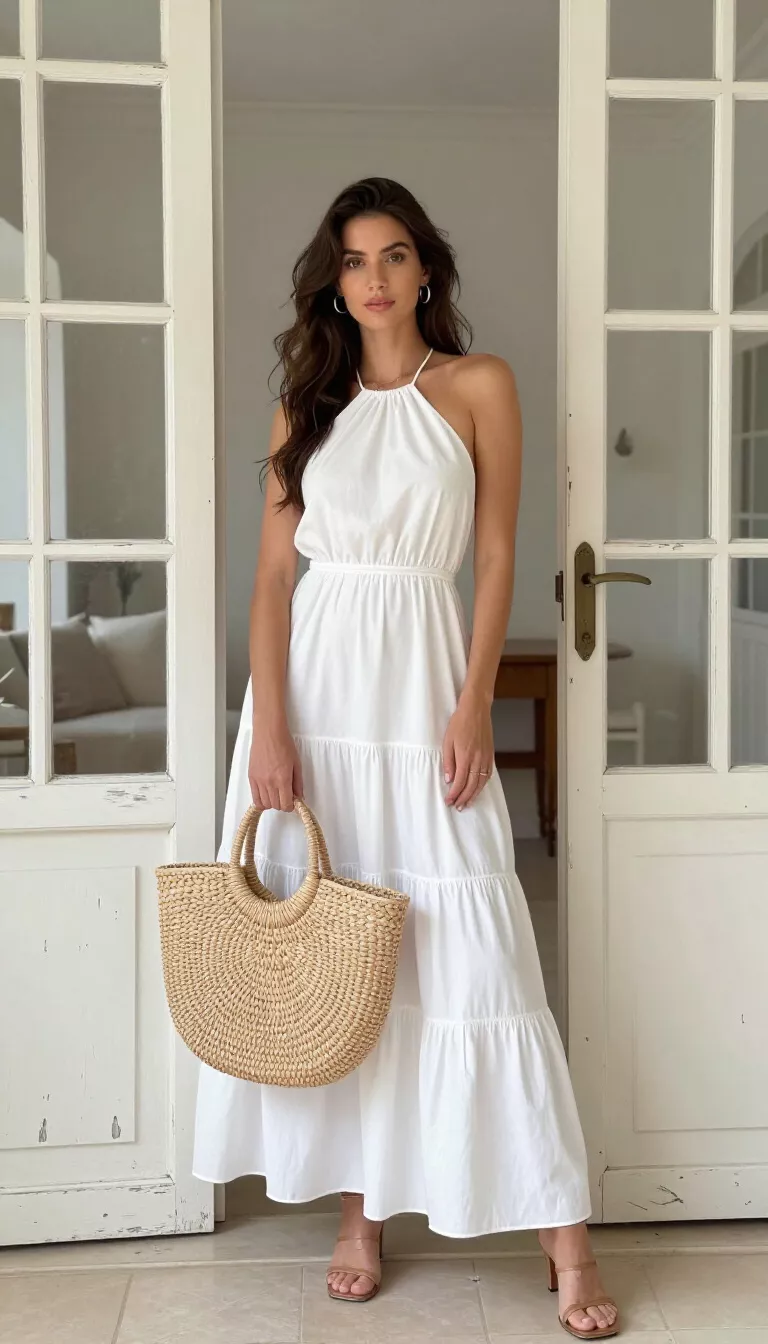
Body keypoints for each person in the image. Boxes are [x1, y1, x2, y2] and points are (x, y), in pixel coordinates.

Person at [193, 177, 619, 1339]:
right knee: (339, 955)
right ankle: (361, 1219)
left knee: (475, 948)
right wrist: (266, 725)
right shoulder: (306, 406)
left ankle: (562, 1240)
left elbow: (493, 558)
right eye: (351, 261)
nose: (371, 278)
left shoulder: (479, 388)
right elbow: (275, 581)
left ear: (425, 269)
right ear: (333, 282)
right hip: (317, 703)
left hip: (425, 686)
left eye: (392, 256)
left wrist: (474, 701)